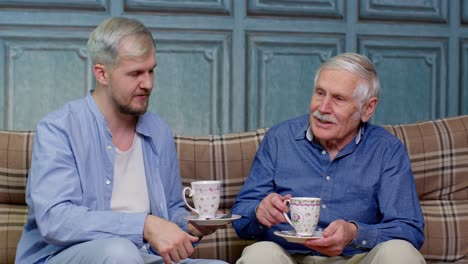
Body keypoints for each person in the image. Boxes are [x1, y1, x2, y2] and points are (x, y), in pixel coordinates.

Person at [15, 17, 227, 264]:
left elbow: (170, 211)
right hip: (61, 257)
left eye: (151, 71)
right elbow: (56, 220)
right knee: (119, 252)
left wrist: (192, 226)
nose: (147, 84)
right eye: (135, 73)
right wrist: (144, 225)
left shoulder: (158, 131)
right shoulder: (59, 130)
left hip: (142, 256)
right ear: (102, 74)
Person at [231, 53, 425, 264]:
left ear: (367, 108)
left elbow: (409, 230)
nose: (322, 108)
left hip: (358, 257)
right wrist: (259, 212)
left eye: (338, 99)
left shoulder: (387, 150)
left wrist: (354, 233)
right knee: (260, 254)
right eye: (320, 93)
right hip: (290, 257)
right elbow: (241, 220)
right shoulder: (279, 139)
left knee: (400, 253)